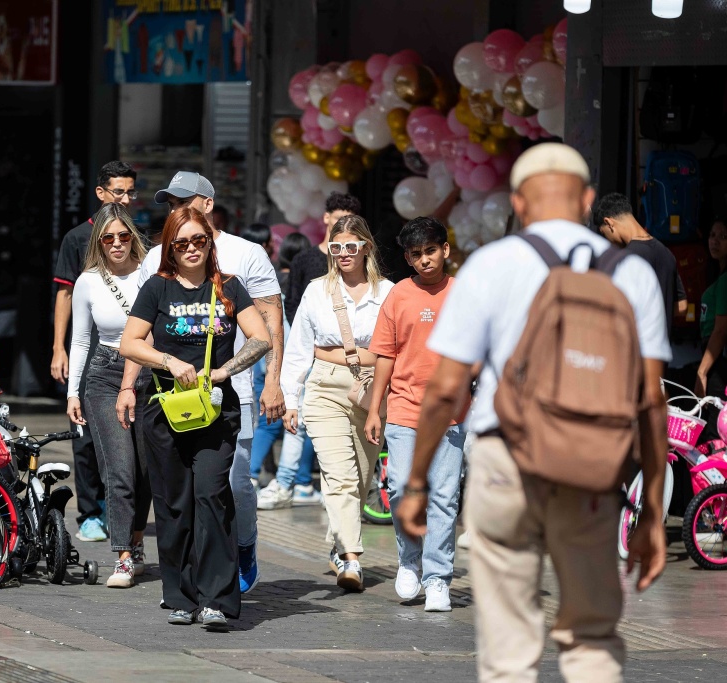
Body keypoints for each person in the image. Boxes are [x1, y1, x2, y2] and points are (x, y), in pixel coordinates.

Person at [395, 143, 670, 681]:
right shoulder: (630, 271)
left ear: (518, 203)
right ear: (588, 199)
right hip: (591, 465)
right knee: (591, 635)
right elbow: (650, 401)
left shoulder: (490, 266)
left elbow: (448, 386)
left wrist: (417, 481)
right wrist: (653, 510)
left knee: (509, 642)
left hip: (507, 459)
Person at [116, 171, 286, 595]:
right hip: (167, 405)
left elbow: (268, 326)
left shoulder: (241, 264)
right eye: (180, 240)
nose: (190, 246)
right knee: (175, 503)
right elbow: (135, 340)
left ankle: (226, 578)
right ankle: (181, 594)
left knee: (222, 492)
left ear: (208, 209)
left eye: (184, 201)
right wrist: (130, 385)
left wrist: (269, 381)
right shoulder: (156, 279)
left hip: (225, 401)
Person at [282, 215, 393, 592]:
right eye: (335, 247)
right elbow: (298, 347)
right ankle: (351, 560)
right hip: (325, 388)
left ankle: (338, 544)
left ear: (366, 248)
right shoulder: (317, 290)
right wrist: (290, 399)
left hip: (373, 390)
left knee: (360, 483)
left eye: (350, 246)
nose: (343, 254)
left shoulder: (389, 292)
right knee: (340, 477)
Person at [363, 217, 466, 612]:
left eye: (430, 251)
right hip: (404, 409)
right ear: (407, 257)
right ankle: (409, 563)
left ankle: (437, 577)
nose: (424, 260)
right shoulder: (399, 296)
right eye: (415, 254)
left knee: (444, 497)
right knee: (404, 490)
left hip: (452, 414)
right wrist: (375, 408)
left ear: (445, 250)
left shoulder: (463, 294)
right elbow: (385, 356)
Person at [66, 203, 153, 588]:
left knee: (147, 470)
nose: (117, 244)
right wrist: (73, 393)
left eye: (123, 236)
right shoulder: (88, 281)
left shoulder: (152, 271)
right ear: (98, 243)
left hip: (151, 373)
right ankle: (122, 557)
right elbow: (82, 339)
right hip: (103, 375)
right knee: (119, 469)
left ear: (132, 237)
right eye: (108, 238)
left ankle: (137, 541)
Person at [52, 160, 138, 542]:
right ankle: (90, 511)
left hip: (137, 357)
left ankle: (118, 509)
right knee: (85, 435)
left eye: (130, 192)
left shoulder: (139, 242)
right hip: (94, 352)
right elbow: (65, 294)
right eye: (118, 191)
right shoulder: (77, 238)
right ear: (101, 193)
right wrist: (59, 348)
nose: (125, 198)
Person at [252, 232, 322, 509]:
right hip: (293, 364)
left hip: (264, 362)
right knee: (299, 424)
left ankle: (254, 475)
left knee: (270, 423)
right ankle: (299, 482)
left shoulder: (269, 283)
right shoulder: (304, 294)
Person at [593, 192, 688, 337]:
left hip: (633, 352)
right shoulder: (667, 253)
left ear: (609, 223)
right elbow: (682, 307)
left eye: (604, 234)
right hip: (660, 354)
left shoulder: (626, 259)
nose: (608, 241)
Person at [285, 192, 362, 324]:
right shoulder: (304, 259)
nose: (344, 225)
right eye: (339, 219)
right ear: (326, 217)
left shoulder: (360, 258)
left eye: (350, 220)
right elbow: (292, 303)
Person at [694, 219, 727, 400]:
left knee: (716, 424)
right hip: (713, 355)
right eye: (712, 235)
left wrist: (702, 372)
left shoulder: (725, 280)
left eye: (723, 237)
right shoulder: (717, 275)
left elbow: (721, 330)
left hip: (718, 357)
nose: (715, 241)